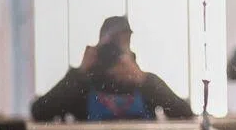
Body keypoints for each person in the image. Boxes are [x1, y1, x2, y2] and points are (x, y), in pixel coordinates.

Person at [31, 17, 193, 122]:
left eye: (121, 45)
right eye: (109, 46)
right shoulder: (83, 85)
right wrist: (79, 74)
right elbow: (40, 112)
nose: (114, 53)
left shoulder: (145, 84)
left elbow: (185, 114)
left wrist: (144, 80)